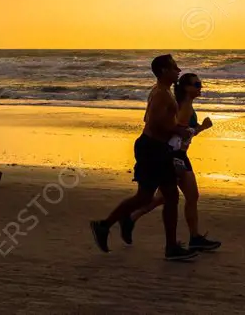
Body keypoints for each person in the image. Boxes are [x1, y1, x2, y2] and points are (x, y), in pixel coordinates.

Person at [90, 54, 199, 261]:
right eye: (174, 67)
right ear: (164, 71)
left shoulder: (162, 92)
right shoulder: (162, 94)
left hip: (155, 148)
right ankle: (170, 247)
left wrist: (175, 129)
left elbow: (149, 118)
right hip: (153, 149)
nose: (178, 70)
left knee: (148, 197)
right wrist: (179, 130)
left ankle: (105, 226)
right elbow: (154, 121)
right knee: (167, 197)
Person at [128, 73, 222, 251]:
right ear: (187, 88)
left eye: (200, 84)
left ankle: (132, 218)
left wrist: (196, 129)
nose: (200, 87)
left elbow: (182, 131)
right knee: (181, 196)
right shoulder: (182, 107)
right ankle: (192, 239)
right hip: (175, 156)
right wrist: (202, 127)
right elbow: (178, 133)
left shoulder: (186, 105)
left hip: (178, 155)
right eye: (197, 84)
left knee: (166, 197)